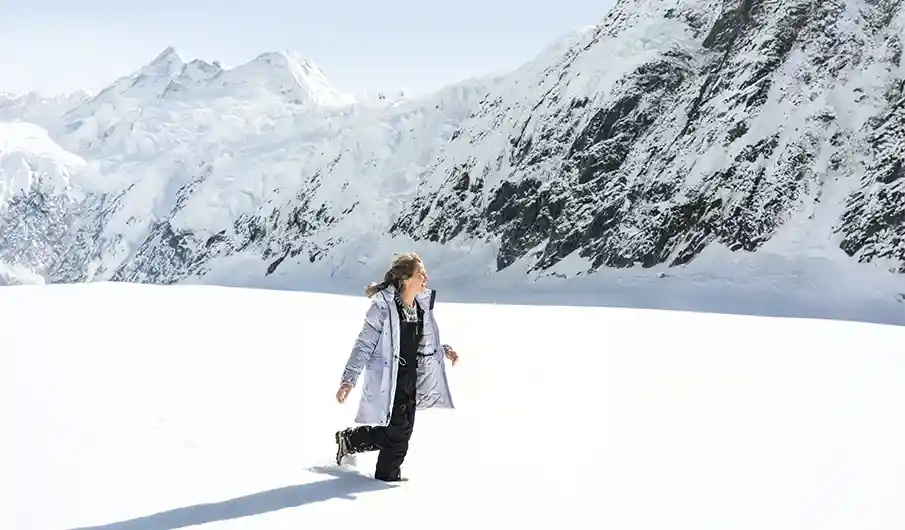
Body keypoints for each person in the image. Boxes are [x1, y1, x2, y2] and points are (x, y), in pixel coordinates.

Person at [334, 251, 459, 481]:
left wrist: (444, 350)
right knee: (398, 435)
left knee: (400, 432)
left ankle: (352, 443)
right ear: (405, 280)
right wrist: (348, 380)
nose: (426, 278)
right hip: (390, 381)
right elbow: (364, 343)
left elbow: (424, 345)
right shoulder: (384, 307)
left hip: (412, 379)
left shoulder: (421, 309)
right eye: (421, 274)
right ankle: (385, 480)